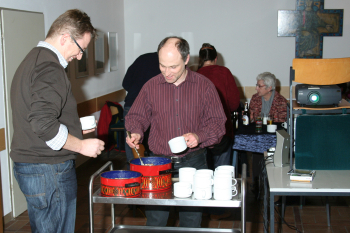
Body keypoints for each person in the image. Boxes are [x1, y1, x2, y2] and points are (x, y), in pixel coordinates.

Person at [10, 9, 105, 233]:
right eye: (81, 48)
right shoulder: (51, 68)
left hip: (32, 167)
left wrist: (74, 125)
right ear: (64, 38)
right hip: (48, 170)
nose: (80, 56)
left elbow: (37, 113)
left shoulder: (31, 60)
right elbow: (43, 124)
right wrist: (81, 145)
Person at [125, 36, 226, 228]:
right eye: (162, 66)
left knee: (191, 219)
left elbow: (218, 124)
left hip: (194, 161)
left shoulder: (204, 86)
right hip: (158, 163)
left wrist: (199, 136)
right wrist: (136, 132)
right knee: (156, 219)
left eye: (173, 67)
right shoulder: (151, 86)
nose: (167, 72)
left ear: (187, 59)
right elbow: (136, 116)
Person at [197, 43, 240, 169]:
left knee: (204, 172)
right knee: (222, 173)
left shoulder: (195, 76)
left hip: (200, 132)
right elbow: (234, 104)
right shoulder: (224, 73)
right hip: (222, 130)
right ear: (216, 58)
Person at [248, 72, 287, 195]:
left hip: (274, 136)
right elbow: (252, 118)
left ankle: (274, 183)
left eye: (259, 86)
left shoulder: (281, 101)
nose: (256, 88)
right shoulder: (255, 98)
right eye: (257, 85)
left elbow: (281, 122)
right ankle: (257, 183)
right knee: (257, 149)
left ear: (269, 88)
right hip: (259, 135)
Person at [122, 52, 160, 165]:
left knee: (132, 145)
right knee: (153, 144)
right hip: (152, 108)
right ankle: (153, 175)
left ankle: (134, 177)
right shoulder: (167, 65)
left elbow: (126, 83)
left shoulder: (142, 58)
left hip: (131, 104)